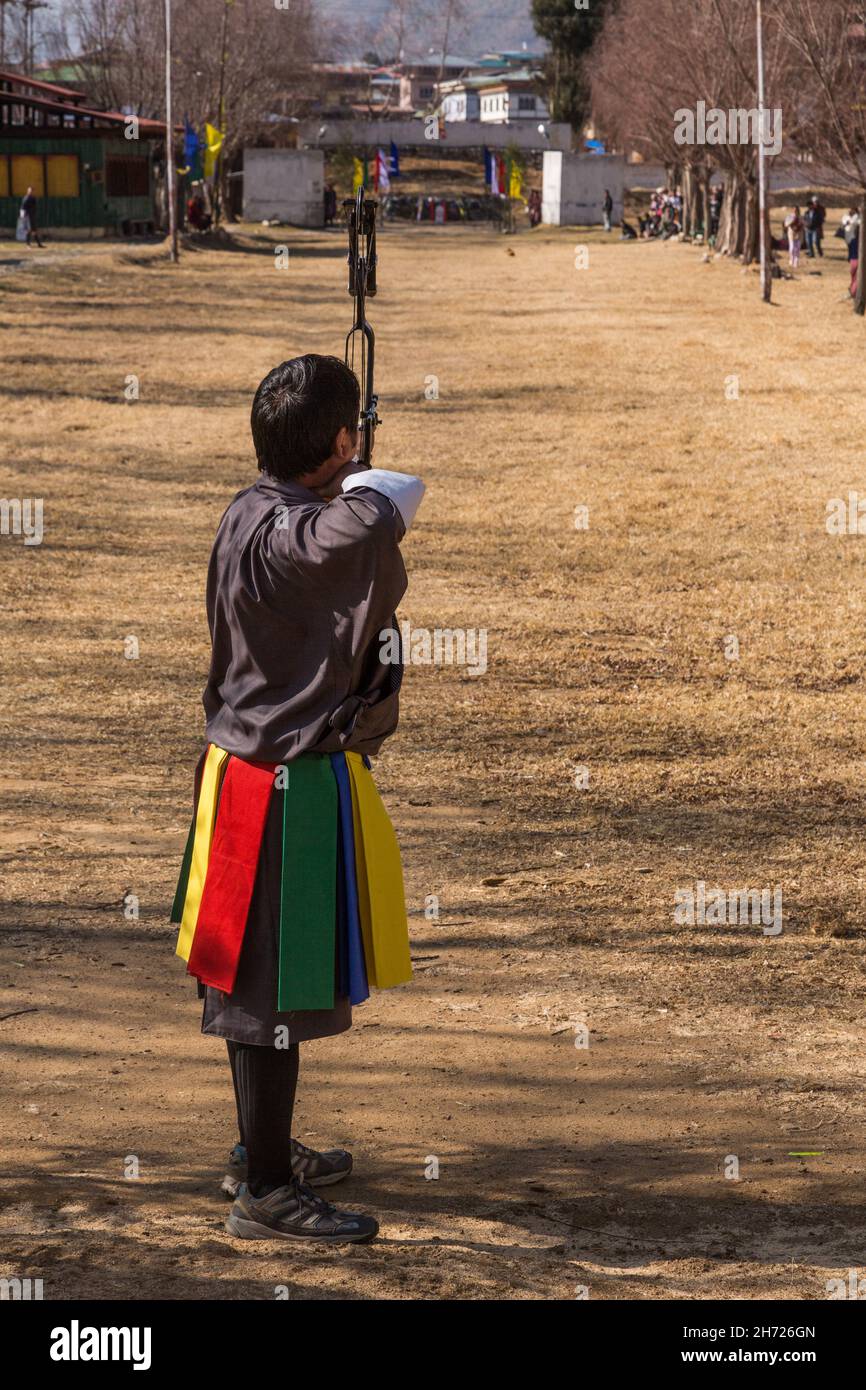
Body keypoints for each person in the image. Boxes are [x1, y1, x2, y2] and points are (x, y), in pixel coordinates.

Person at [170, 354, 425, 1243]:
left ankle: (259, 1149)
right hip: (273, 789)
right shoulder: (315, 535)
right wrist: (360, 463)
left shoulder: (251, 507)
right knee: (267, 995)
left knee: (263, 983)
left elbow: (351, 510)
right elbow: (387, 504)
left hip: (245, 773)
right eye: (351, 434)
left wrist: (342, 453)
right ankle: (267, 1191)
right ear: (341, 444)